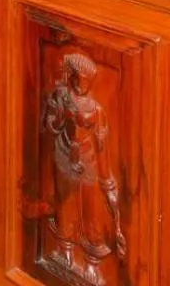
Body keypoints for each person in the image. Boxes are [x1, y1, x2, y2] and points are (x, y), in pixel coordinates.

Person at [41, 53, 125, 284]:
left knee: (91, 215)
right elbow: (49, 126)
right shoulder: (60, 96)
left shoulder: (96, 110)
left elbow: (101, 145)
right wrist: (62, 118)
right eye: (78, 79)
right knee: (65, 207)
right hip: (64, 157)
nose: (82, 86)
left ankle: (91, 262)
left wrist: (107, 179)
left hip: (88, 164)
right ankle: (65, 251)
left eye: (86, 82)